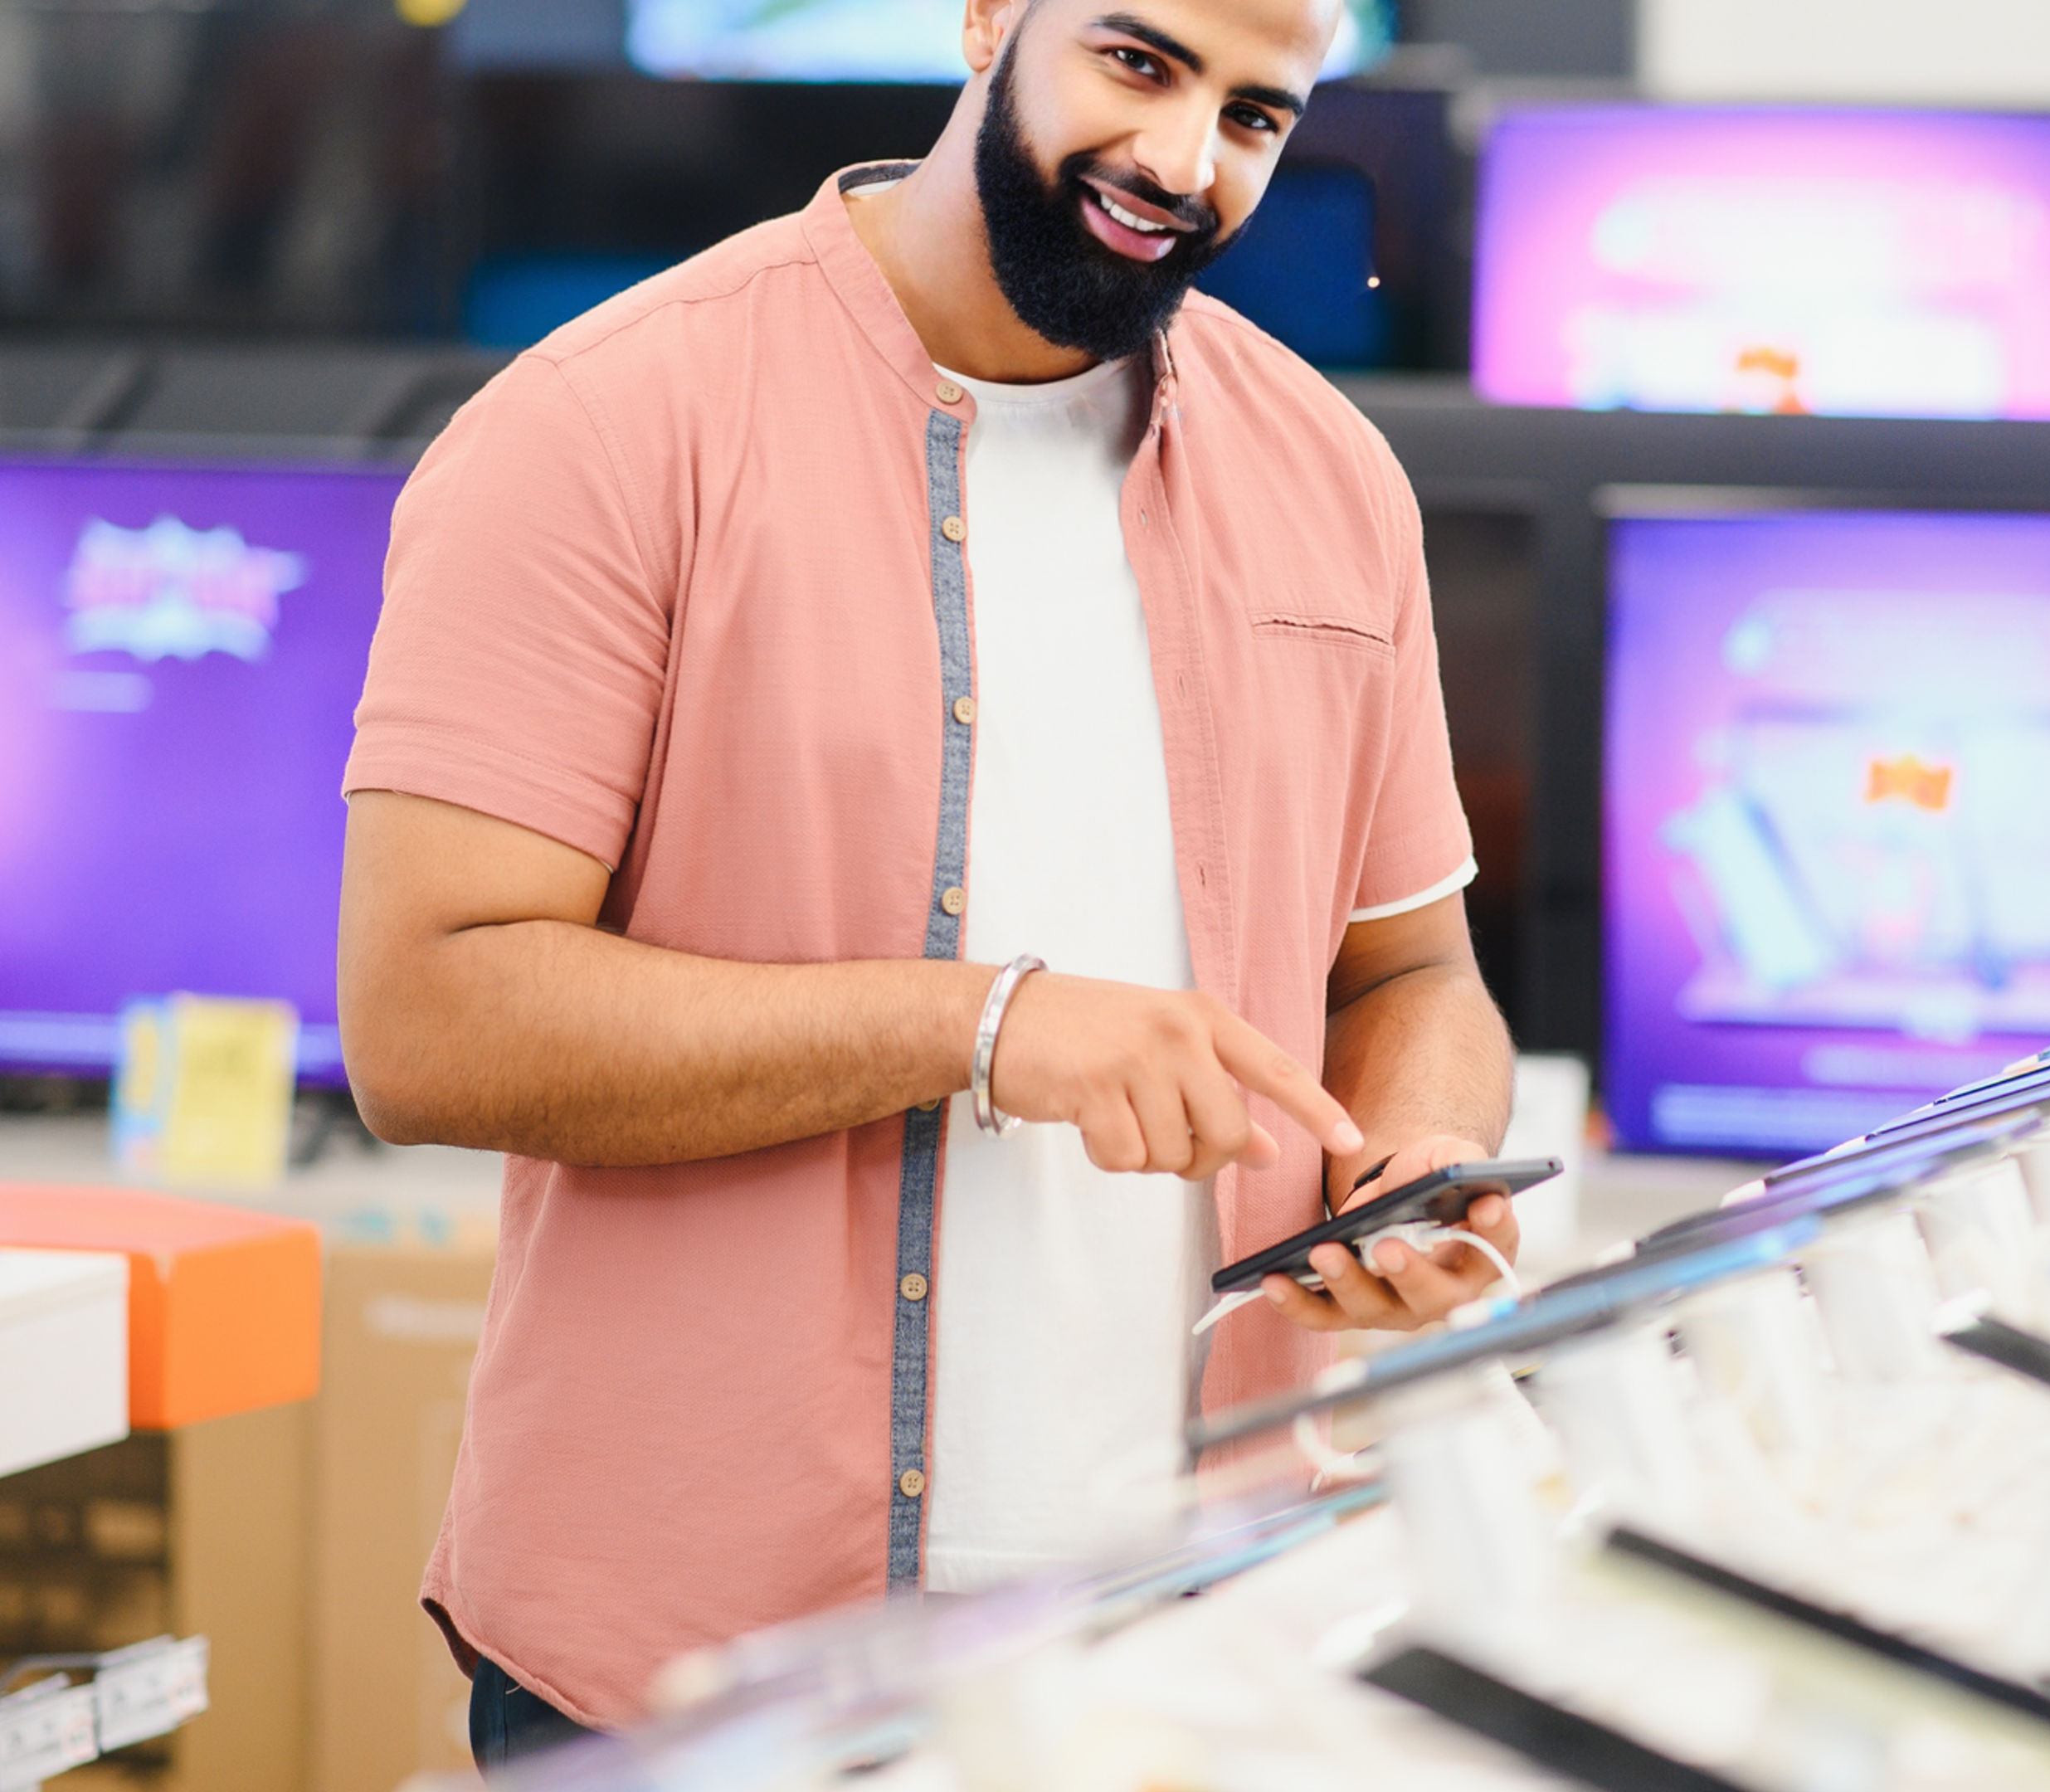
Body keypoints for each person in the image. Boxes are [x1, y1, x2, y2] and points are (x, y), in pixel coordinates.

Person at [334, 0, 1517, 1759]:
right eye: (1138, 62)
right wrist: (984, 1029)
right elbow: (426, 1021)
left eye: (1255, 117)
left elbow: (1413, 976)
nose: (1182, 160)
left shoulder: (1331, 476)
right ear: (983, 17)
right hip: (707, 1680)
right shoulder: (602, 423)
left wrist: (1417, 1167)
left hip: (1202, 1648)